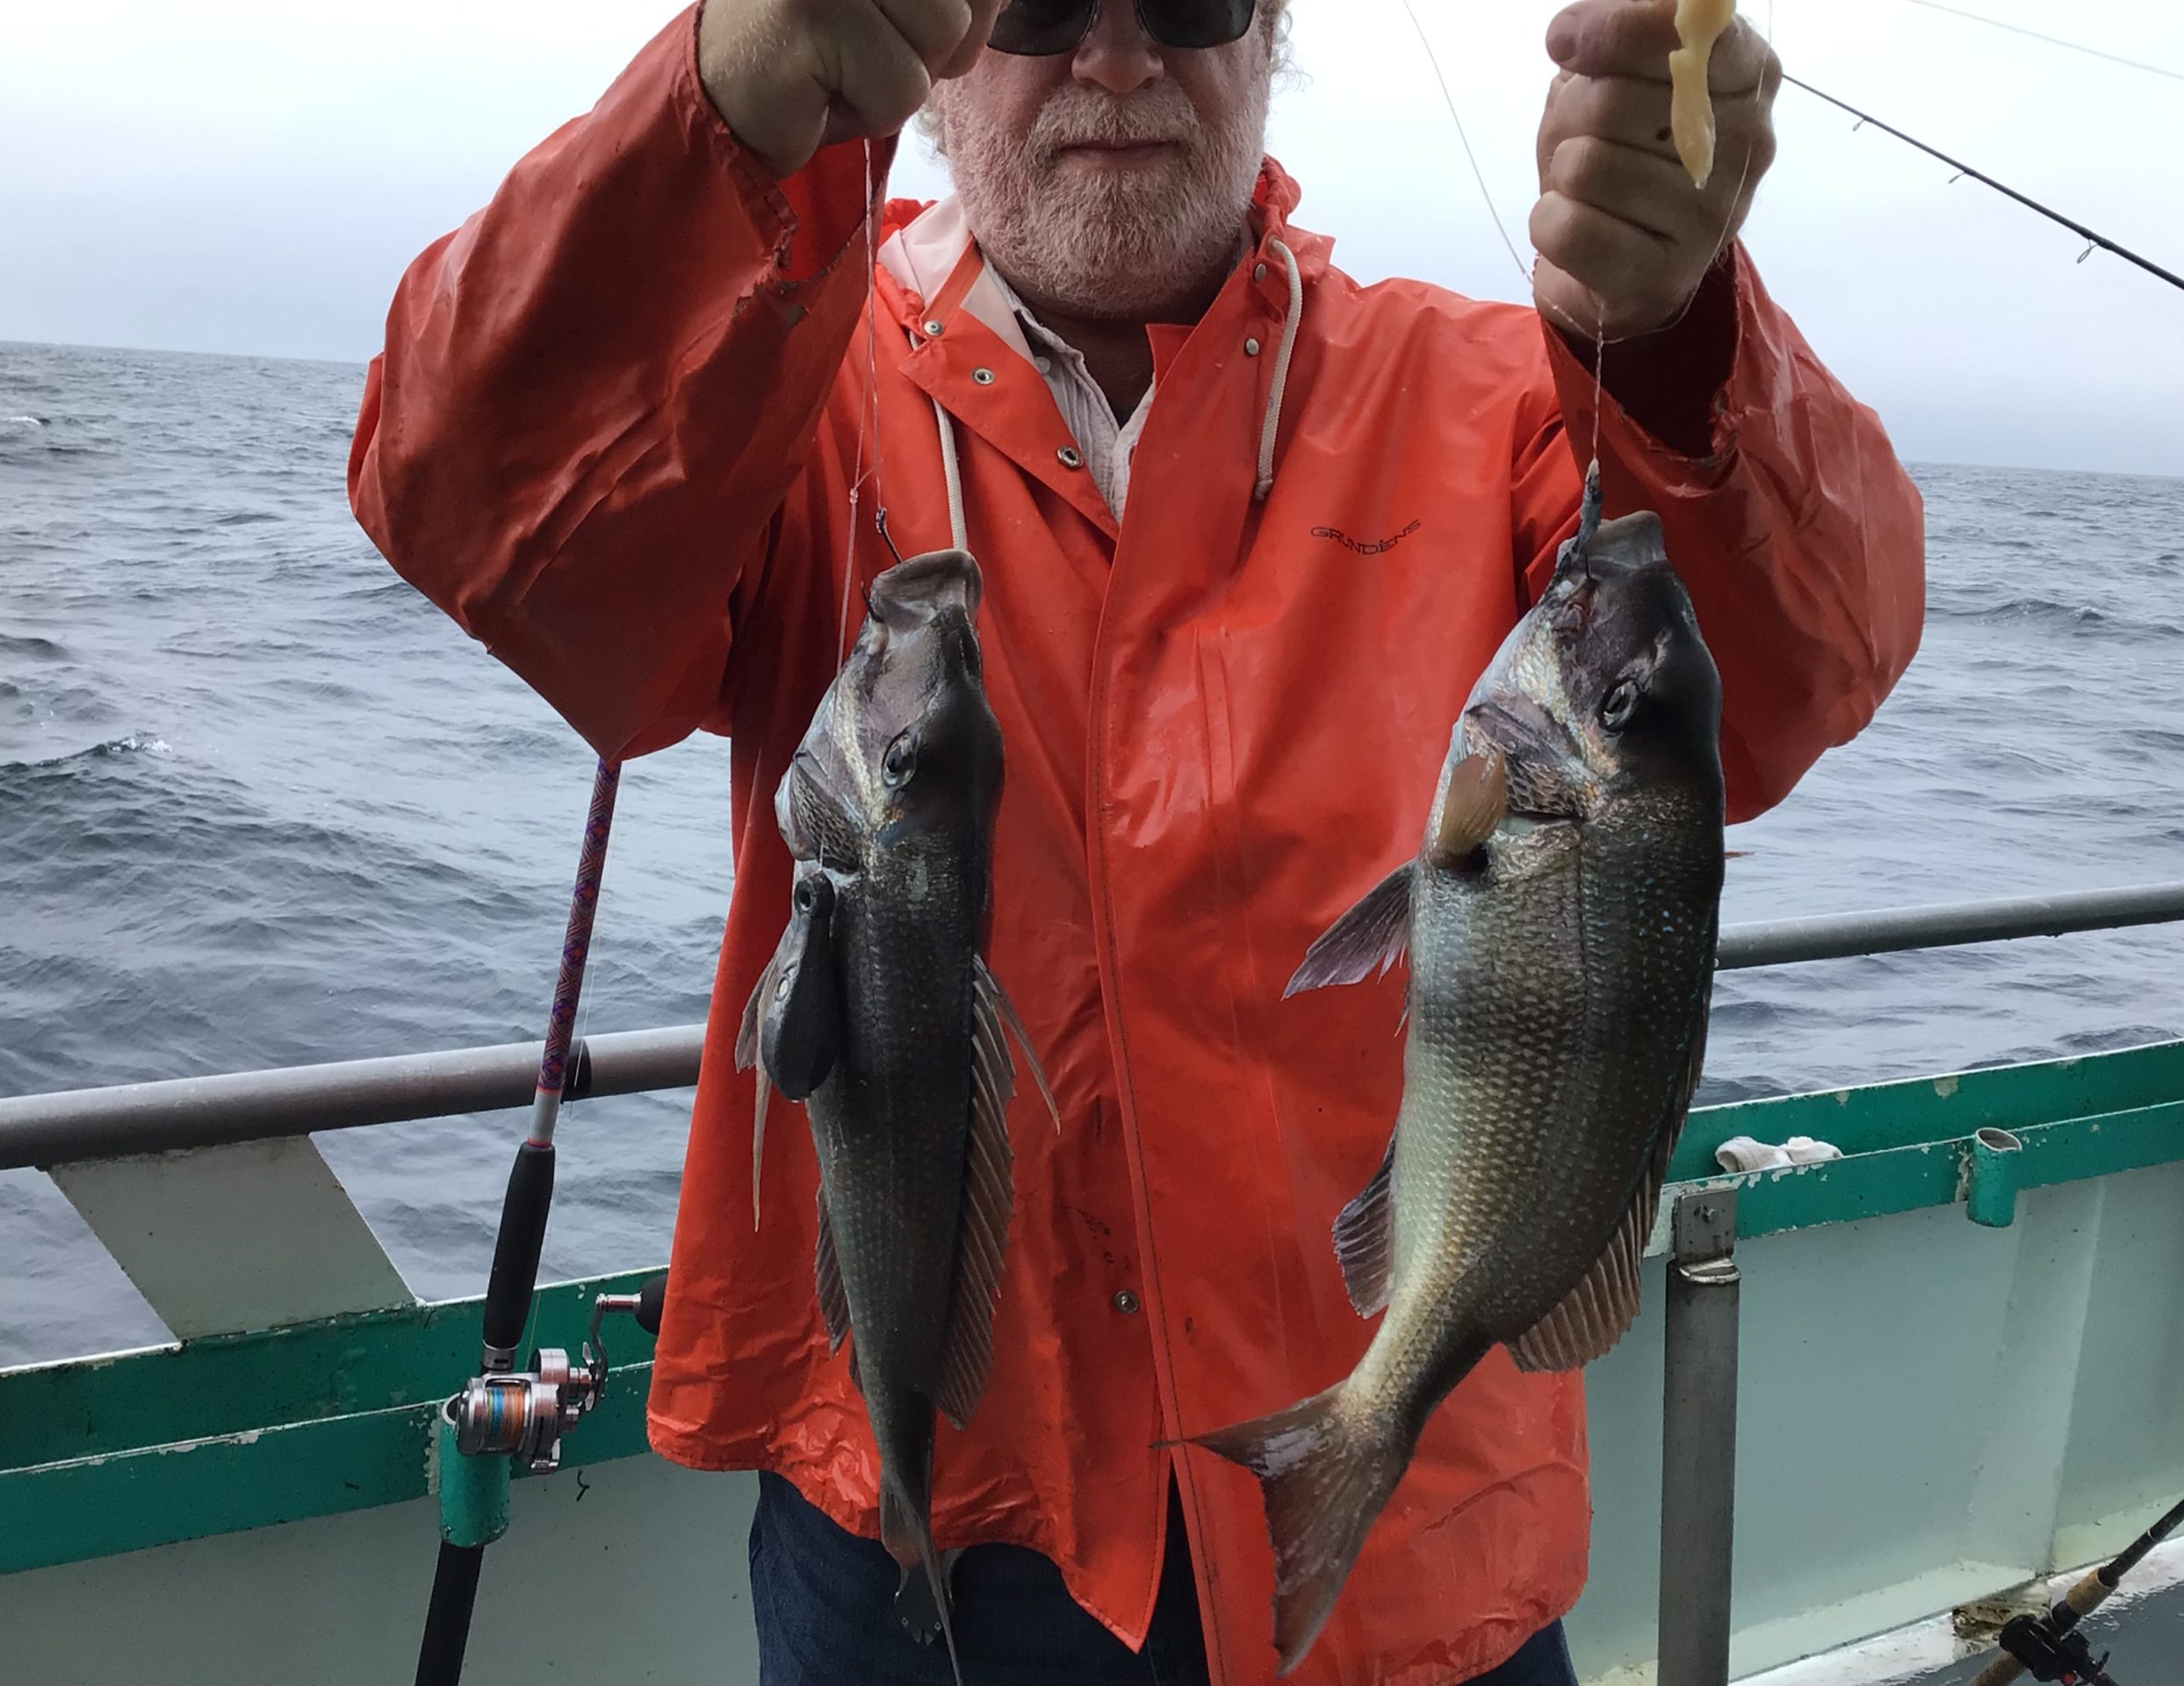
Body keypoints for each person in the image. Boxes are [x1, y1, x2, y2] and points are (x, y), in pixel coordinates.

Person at [349, 0, 1924, 1679]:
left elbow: (1784, 680)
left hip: (1408, 1541)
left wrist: (1678, 337)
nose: (1113, 59)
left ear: (1274, 34)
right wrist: (711, 127)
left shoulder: (1496, 393)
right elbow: (475, 516)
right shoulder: (772, 373)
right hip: (921, 1519)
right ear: (930, 42)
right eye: (1033, 3)